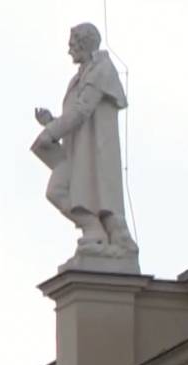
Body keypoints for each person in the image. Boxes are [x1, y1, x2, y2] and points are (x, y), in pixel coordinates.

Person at [31, 23, 140, 265]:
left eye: (72, 44)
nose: (69, 50)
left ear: (84, 43)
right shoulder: (81, 75)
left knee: (78, 192)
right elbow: (77, 114)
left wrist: (51, 131)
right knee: (57, 191)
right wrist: (52, 122)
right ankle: (94, 230)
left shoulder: (102, 70)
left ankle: (98, 233)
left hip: (95, 153)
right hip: (78, 150)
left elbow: (83, 109)